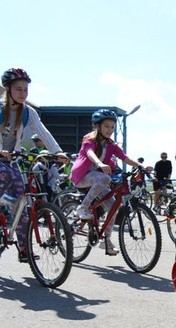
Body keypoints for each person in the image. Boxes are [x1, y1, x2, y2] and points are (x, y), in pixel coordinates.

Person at [0, 67, 63, 262]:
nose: (23, 93)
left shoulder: (28, 112)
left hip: (12, 160)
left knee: (23, 200)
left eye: (25, 89)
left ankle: (24, 248)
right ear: (8, 89)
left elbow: (44, 133)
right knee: (6, 176)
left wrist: (58, 152)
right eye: (18, 89)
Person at [70, 109, 144, 256]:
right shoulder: (89, 139)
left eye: (112, 127)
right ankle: (83, 208)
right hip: (82, 176)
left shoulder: (111, 144)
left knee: (113, 206)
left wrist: (140, 166)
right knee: (105, 178)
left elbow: (125, 157)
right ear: (97, 126)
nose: (110, 130)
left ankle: (106, 241)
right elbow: (89, 153)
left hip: (98, 179)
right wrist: (99, 164)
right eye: (106, 126)